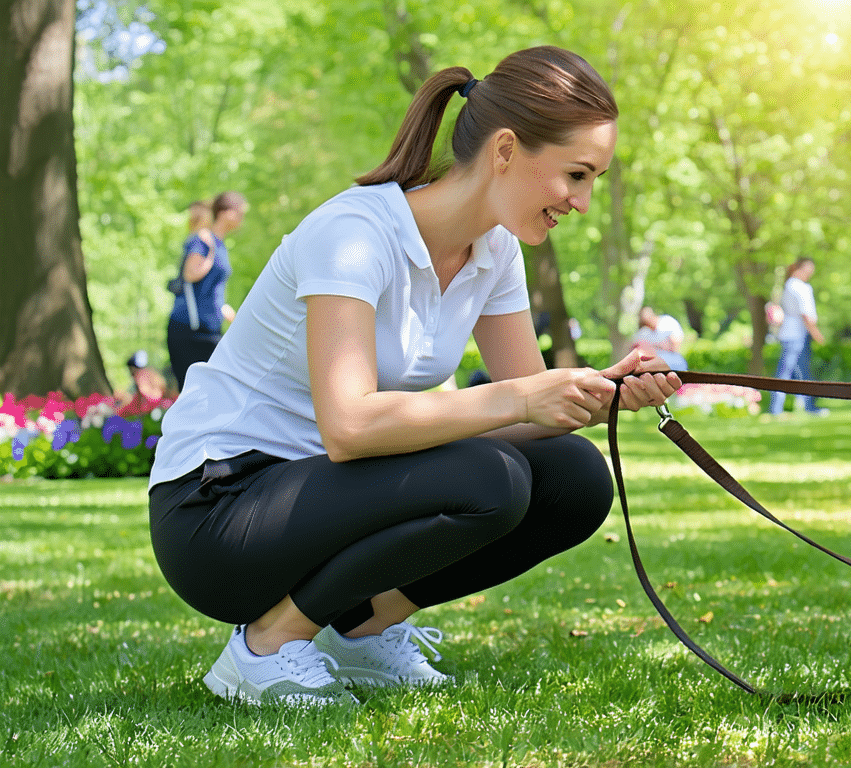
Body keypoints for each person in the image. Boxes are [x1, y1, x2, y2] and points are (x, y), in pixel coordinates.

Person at [146, 46, 680, 707]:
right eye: (576, 174)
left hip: (321, 500)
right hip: (219, 511)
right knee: (489, 479)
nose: (583, 201)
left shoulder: (495, 251)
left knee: (573, 476)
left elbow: (527, 417)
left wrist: (602, 392)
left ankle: (360, 629)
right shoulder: (355, 234)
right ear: (506, 150)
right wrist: (521, 396)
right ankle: (266, 647)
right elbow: (349, 427)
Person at [166, 192, 247, 389]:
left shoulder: (219, 244)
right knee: (197, 393)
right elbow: (190, 274)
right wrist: (209, 253)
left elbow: (210, 289)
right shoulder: (202, 241)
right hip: (190, 330)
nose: (242, 220)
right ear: (226, 213)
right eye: (240, 213)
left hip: (209, 329)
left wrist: (223, 309)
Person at [768, 257, 826, 416]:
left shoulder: (789, 285)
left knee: (802, 373)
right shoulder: (798, 286)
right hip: (795, 335)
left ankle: (809, 406)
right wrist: (816, 333)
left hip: (793, 334)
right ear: (798, 269)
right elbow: (806, 314)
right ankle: (776, 409)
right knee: (786, 373)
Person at [632, 306, 687, 371]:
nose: (647, 325)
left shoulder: (668, 322)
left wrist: (653, 347)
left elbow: (674, 347)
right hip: (651, 360)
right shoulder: (643, 332)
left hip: (672, 359)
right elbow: (636, 349)